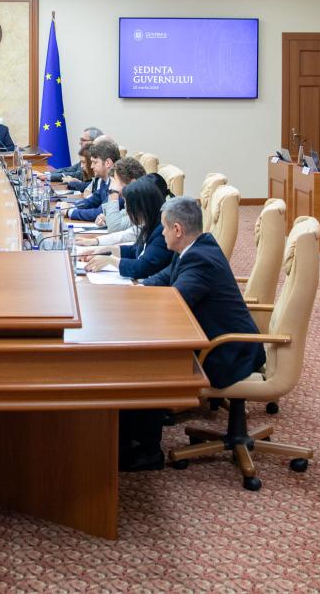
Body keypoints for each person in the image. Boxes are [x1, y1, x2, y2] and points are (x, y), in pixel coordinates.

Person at [118, 196, 265, 471]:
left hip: (227, 352)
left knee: (146, 360)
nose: (161, 234)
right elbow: (164, 279)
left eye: (164, 228)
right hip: (218, 340)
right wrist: (132, 293)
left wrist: (137, 308)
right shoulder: (195, 247)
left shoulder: (200, 259)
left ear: (177, 230)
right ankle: (133, 433)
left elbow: (175, 302)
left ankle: (147, 450)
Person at [82, 179, 173, 279]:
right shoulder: (150, 223)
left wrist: (110, 260)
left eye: (129, 208)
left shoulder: (162, 232)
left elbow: (144, 267)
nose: (128, 212)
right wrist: (106, 250)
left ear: (142, 207)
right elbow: (135, 251)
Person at [67, 139, 120, 221]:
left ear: (108, 163)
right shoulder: (105, 180)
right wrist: (70, 207)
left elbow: (99, 212)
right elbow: (92, 201)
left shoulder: (118, 184)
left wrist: (69, 212)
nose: (91, 166)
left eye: (95, 162)